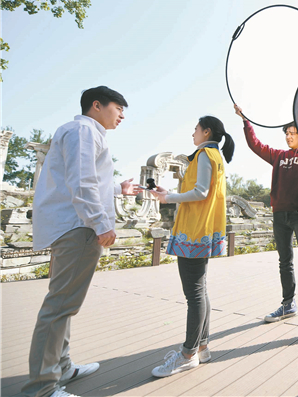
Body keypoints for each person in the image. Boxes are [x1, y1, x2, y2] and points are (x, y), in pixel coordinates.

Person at [21, 87, 140, 397]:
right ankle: (43, 387)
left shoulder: (81, 132)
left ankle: (62, 367)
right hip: (79, 227)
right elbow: (82, 181)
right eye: (119, 108)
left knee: (65, 303)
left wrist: (118, 188)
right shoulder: (84, 130)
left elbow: (87, 178)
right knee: (59, 307)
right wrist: (102, 224)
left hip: (72, 226)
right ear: (96, 105)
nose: (122, 115)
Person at [147, 116, 234, 377]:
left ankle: (187, 354)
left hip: (194, 232)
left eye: (196, 129)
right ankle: (202, 346)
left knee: (194, 294)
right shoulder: (212, 154)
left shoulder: (205, 154)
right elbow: (199, 190)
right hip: (201, 230)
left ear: (206, 131)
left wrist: (168, 197)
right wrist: (168, 191)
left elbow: (201, 192)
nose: (192, 133)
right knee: (199, 290)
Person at [234, 105, 298, 347]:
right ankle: (288, 305)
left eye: (293, 132)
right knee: (284, 260)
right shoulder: (279, 156)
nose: (288, 136)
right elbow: (255, 145)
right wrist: (246, 121)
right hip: (280, 215)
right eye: (286, 133)